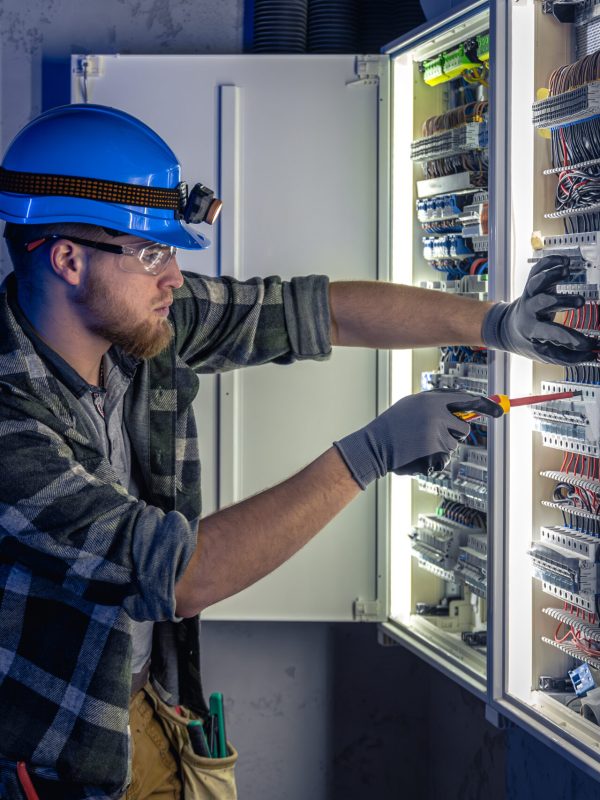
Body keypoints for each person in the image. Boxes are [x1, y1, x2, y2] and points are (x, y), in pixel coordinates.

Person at [0, 104, 593, 800]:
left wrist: (496, 323)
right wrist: (368, 455)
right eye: (153, 252)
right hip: (59, 754)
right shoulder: (12, 422)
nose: (175, 277)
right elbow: (181, 574)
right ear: (68, 258)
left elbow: (314, 312)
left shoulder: (134, 329)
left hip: (146, 703)